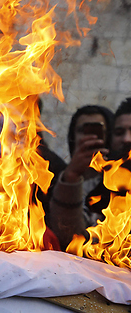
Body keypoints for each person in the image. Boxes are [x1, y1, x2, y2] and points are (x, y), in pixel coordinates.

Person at [47, 105, 113, 249]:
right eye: (83, 130)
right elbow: (67, 237)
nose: (90, 137)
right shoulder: (55, 178)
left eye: (98, 130)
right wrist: (71, 179)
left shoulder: (119, 184)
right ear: (72, 137)